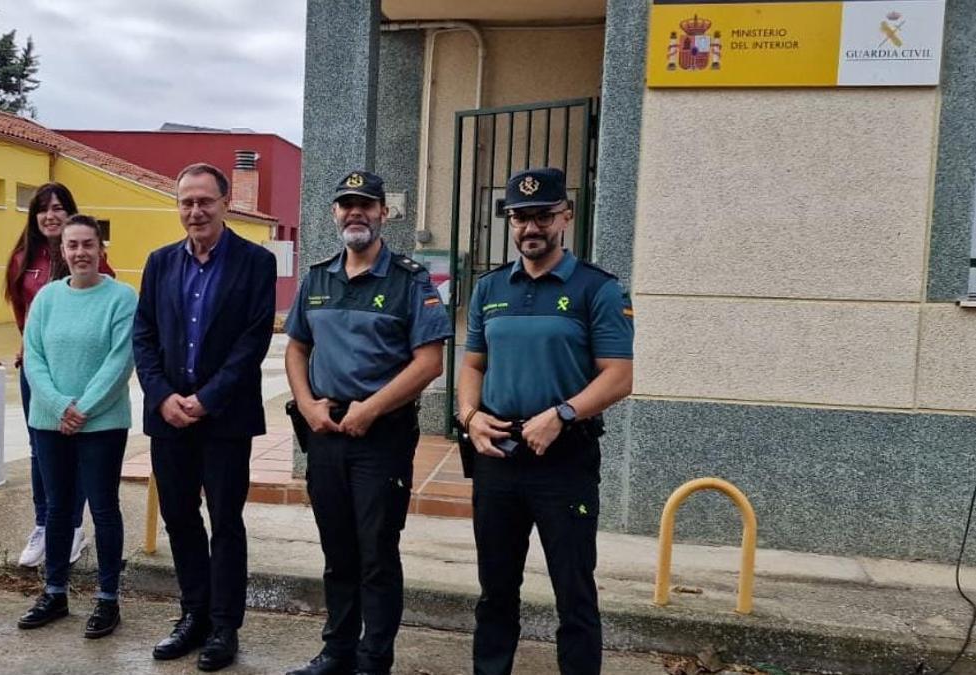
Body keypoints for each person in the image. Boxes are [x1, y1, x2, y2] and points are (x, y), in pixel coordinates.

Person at [456, 168, 634, 675]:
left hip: (564, 458)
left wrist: (562, 414)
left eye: (543, 215)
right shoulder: (490, 287)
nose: (530, 227)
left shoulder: (597, 288)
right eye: (520, 217)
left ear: (565, 216)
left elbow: (619, 375)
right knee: (495, 590)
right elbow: (473, 365)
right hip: (498, 456)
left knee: (573, 591)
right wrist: (470, 416)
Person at [283, 170, 452, 675]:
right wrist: (307, 404)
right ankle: (337, 651)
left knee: (376, 551)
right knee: (337, 550)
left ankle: (373, 659)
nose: (355, 212)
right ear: (335, 213)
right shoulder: (317, 277)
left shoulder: (409, 280)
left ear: (383, 213)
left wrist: (371, 408)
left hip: (382, 436)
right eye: (346, 204)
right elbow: (296, 347)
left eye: (366, 204)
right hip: (326, 431)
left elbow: (430, 362)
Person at [133, 163, 276, 670]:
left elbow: (253, 340)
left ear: (224, 203)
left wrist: (207, 398)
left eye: (205, 201)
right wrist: (162, 396)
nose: (195, 211)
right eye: (186, 202)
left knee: (225, 521)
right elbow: (143, 335)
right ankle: (193, 614)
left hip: (225, 418)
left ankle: (223, 626)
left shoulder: (256, 262)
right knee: (178, 517)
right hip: (169, 417)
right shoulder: (159, 263)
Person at [16, 214, 137, 639]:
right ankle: (54, 592)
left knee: (103, 509)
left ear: (101, 249)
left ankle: (107, 599)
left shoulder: (122, 297)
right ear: (62, 251)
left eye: (88, 244)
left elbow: (120, 361)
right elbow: (33, 357)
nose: (81, 252)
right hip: (50, 421)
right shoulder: (46, 299)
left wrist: (82, 409)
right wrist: (58, 406)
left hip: (102, 423)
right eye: (73, 245)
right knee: (57, 509)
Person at [3, 183, 114, 568]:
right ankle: (44, 524)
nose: (50, 216)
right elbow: (22, 311)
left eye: (58, 208)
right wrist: (28, 345)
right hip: (38, 373)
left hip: (80, 371)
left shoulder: (86, 256)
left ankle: (73, 527)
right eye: (43, 209)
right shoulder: (22, 258)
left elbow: (105, 303)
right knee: (40, 449)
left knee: (78, 447)